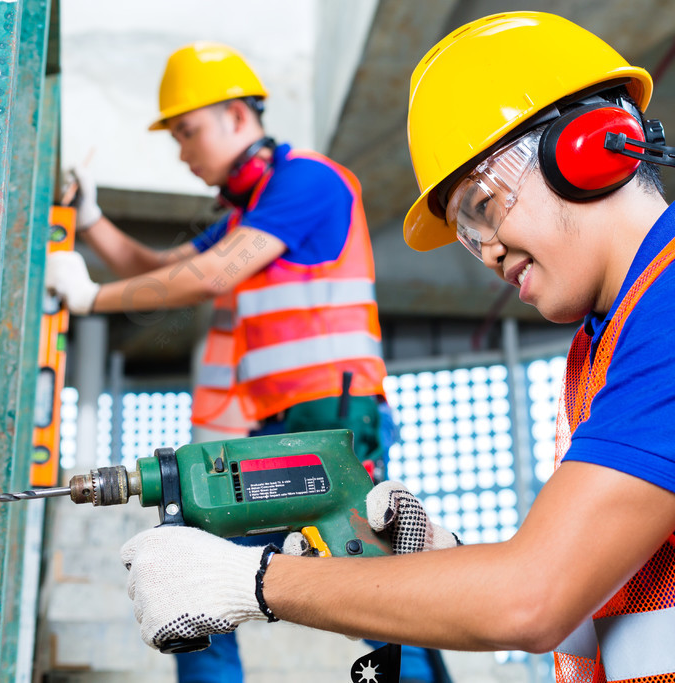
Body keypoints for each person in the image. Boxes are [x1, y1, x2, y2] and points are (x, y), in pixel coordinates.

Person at [116, 13, 675, 682]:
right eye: (466, 234)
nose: (487, 253)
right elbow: (613, 604)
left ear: (591, 149)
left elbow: (532, 599)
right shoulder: (611, 335)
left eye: (482, 208)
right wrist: (446, 564)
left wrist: (251, 583)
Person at [46, 42, 445, 683]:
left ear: (237, 115)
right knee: (196, 565)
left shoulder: (309, 181)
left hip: (333, 420)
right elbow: (167, 271)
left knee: (376, 584)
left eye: (187, 130)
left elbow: (212, 275)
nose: (180, 150)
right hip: (283, 426)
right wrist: (92, 223)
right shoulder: (250, 212)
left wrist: (92, 298)